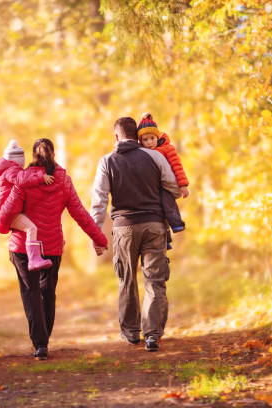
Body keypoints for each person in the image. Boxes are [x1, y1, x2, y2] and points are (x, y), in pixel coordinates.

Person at [0, 138, 108, 360]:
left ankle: (40, 344)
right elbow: (80, 213)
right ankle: (44, 340)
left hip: (22, 248)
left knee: (31, 293)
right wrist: (100, 239)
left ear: (33, 156)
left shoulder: (24, 181)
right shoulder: (63, 181)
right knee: (47, 293)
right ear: (54, 154)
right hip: (52, 246)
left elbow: (4, 220)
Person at [90, 117, 181, 352]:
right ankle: (152, 335)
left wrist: (95, 232)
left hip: (124, 227)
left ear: (116, 137)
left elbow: (99, 201)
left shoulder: (107, 161)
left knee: (127, 280)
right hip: (154, 226)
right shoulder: (156, 156)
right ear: (138, 135)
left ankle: (131, 333)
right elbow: (173, 186)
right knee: (155, 280)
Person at [0, 139, 54, 271]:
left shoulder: (7, 168)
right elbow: (22, 179)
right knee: (31, 228)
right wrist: (41, 177)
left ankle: (34, 258)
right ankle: (34, 259)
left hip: (6, 212)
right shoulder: (11, 170)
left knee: (29, 227)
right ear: (18, 159)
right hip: (7, 213)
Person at [136, 113, 190, 249]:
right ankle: (166, 239)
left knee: (167, 203)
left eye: (152, 138)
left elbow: (177, 167)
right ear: (141, 141)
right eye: (145, 140)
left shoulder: (167, 149)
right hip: (152, 187)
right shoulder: (141, 152)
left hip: (165, 186)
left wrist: (183, 185)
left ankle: (177, 223)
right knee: (157, 212)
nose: (149, 142)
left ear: (158, 137)